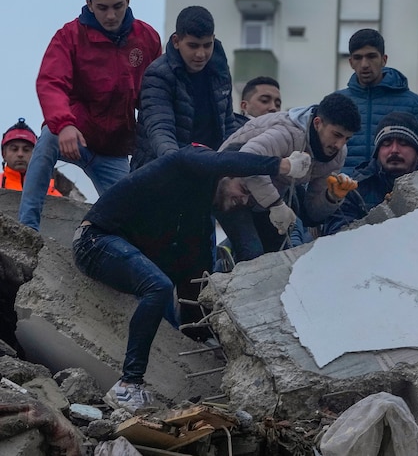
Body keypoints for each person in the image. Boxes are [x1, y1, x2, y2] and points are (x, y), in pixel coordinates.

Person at [72, 144, 295, 412]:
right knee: (158, 286)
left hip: (118, 249)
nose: (244, 201)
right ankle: (128, 385)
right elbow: (218, 159)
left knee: (167, 281)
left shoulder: (196, 220)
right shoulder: (186, 163)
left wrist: (209, 337)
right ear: (225, 172)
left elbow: (193, 285)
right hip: (94, 240)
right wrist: (280, 166)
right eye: (244, 190)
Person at [18, 0, 161, 230]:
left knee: (135, 217)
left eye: (117, 6)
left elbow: (154, 95)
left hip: (115, 151)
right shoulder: (69, 36)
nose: (110, 15)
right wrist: (64, 124)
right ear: (89, 4)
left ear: (128, 0)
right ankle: (27, 227)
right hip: (74, 136)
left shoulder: (147, 38)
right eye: (102, 8)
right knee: (48, 138)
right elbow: (51, 82)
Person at [215, 92, 361, 262]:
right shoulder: (287, 133)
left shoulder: (338, 155)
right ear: (317, 123)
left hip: (266, 199)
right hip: (229, 188)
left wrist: (331, 198)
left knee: (280, 259)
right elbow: (247, 160)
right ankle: (224, 271)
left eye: (347, 139)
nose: (340, 145)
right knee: (252, 254)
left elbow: (311, 214)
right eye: (336, 135)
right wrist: (275, 204)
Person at [132, 5, 237, 170]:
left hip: (210, 168)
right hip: (160, 170)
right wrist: (178, 166)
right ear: (176, 42)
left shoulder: (220, 71)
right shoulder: (158, 74)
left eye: (207, 45)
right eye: (193, 46)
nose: (201, 54)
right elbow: (160, 128)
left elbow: (228, 124)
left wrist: (233, 163)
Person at [337, 29, 418, 174]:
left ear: (384, 59)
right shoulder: (338, 103)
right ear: (351, 62)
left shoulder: (414, 103)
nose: (364, 64)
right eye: (358, 58)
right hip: (345, 192)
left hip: (397, 191)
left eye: (371, 56)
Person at [323, 111, 418, 235]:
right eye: (386, 144)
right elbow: (336, 232)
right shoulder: (356, 188)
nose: (394, 150)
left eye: (403, 143)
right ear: (377, 152)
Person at [1, 119, 61, 196]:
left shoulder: (50, 189)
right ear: (4, 154)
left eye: (26, 150)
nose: (20, 154)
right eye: (14, 149)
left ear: (36, 153)